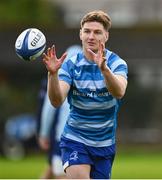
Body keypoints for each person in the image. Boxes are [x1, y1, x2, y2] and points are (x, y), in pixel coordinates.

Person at [43, 10, 128, 179]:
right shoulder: (70, 65)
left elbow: (119, 92)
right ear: (80, 34)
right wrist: (52, 74)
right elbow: (57, 100)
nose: (91, 36)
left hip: (105, 144)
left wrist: (104, 70)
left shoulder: (117, 63)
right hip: (75, 139)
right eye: (87, 31)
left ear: (106, 36)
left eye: (97, 32)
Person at [38, 45, 82, 179]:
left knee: (61, 175)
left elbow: (49, 108)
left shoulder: (59, 81)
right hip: (85, 139)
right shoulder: (89, 80)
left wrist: (44, 133)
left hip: (64, 138)